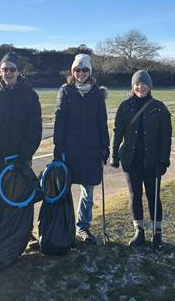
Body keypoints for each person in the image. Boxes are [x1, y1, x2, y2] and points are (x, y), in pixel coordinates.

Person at [111, 70, 171, 249]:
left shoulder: (159, 107)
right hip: (130, 160)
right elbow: (118, 133)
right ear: (132, 86)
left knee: (153, 196)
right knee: (134, 195)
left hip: (152, 161)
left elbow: (165, 137)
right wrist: (114, 156)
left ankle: (157, 232)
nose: (140, 87)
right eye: (137, 84)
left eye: (144, 84)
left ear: (149, 86)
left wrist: (164, 160)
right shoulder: (124, 106)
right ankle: (139, 230)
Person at [53, 53, 109, 244]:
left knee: (88, 191)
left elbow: (102, 121)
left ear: (90, 72)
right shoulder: (66, 91)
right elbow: (59, 119)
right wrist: (57, 146)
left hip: (92, 148)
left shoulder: (97, 93)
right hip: (70, 148)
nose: (81, 73)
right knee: (64, 189)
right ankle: (64, 227)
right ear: (72, 71)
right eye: (77, 69)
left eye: (85, 70)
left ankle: (82, 227)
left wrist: (105, 146)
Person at [0, 52, 42, 204]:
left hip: (19, 160)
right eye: (5, 69)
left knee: (19, 199)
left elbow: (34, 130)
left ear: (18, 71)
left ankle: (21, 229)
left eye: (12, 69)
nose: (9, 73)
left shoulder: (30, 95)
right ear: (0, 72)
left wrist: (23, 155)